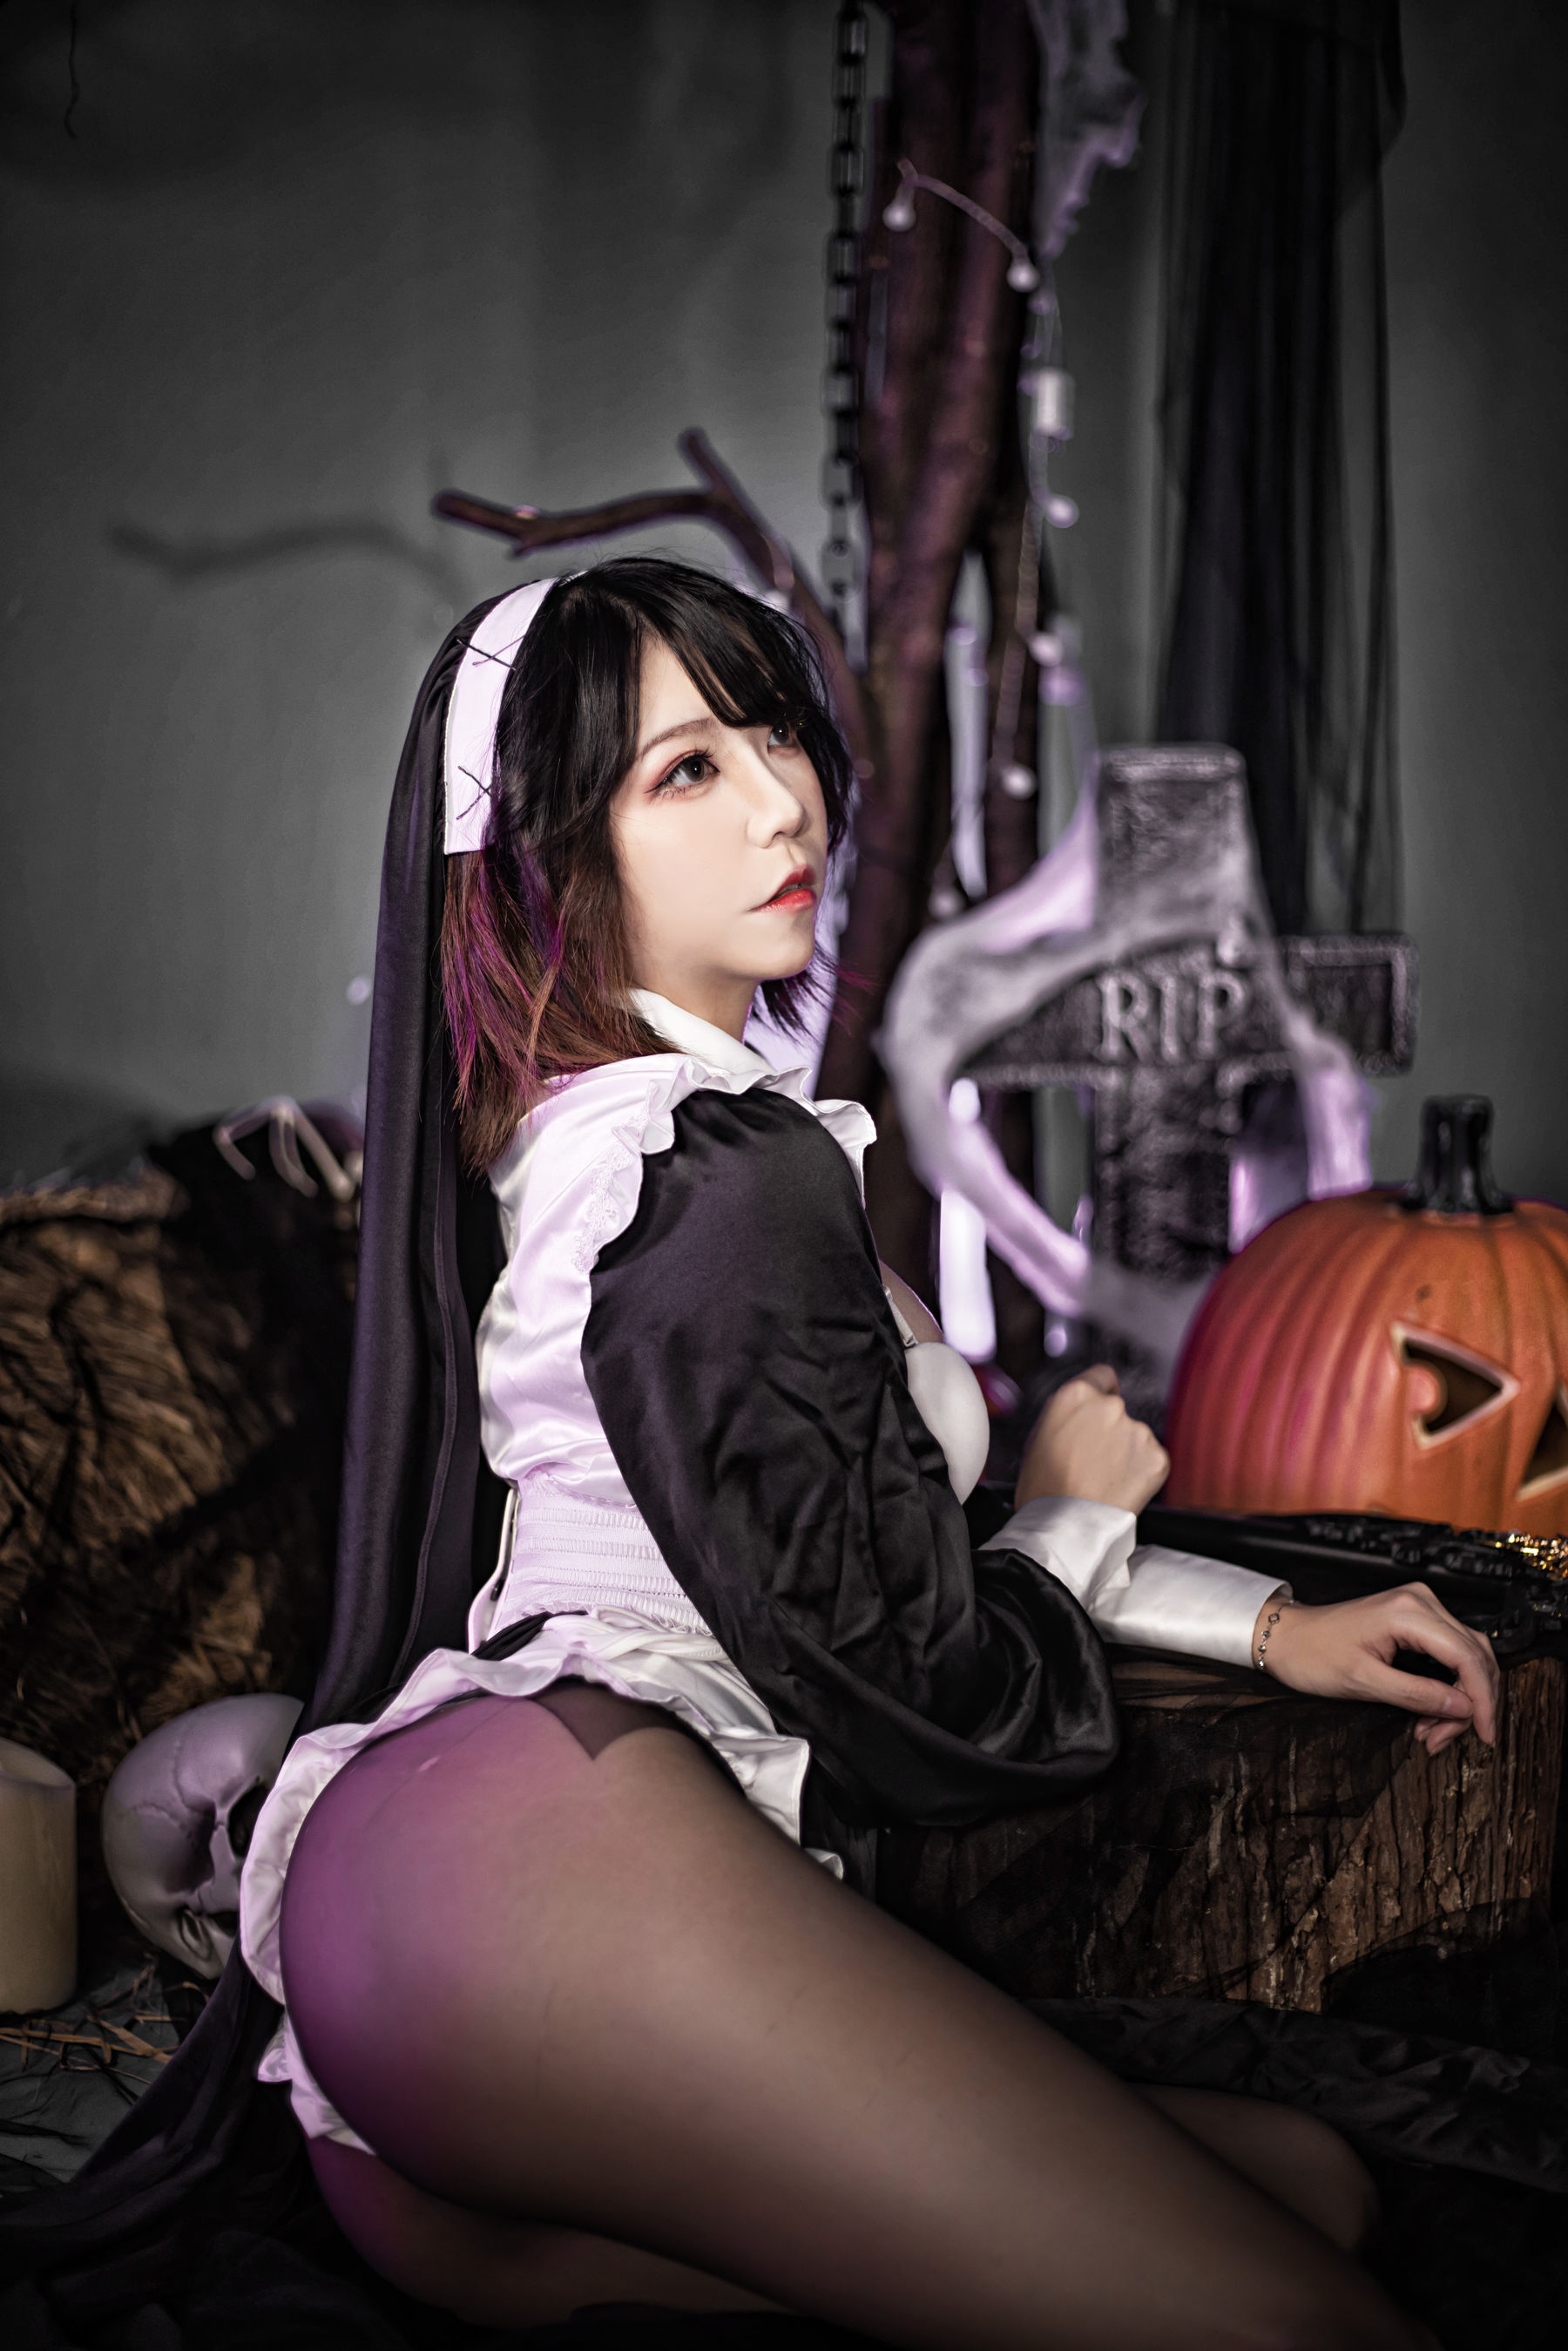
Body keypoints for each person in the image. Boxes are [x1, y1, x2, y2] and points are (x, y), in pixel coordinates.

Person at [239, 558, 1491, 2350]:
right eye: (686, 769)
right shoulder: (709, 1183)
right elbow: (915, 1687)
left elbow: (882, 1535)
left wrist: (1275, 1625)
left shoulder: (615, 1137)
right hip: (536, 1894)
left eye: (774, 734)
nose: (784, 802)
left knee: (1314, 2184)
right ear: (549, 856)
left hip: (441, 1937)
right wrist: (1070, 1502)